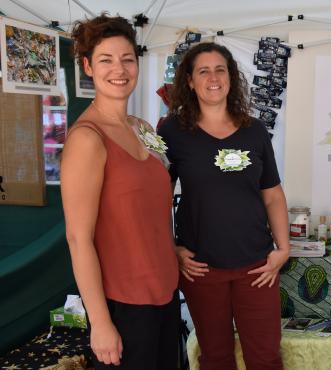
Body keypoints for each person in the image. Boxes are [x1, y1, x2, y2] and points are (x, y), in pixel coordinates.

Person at [158, 42, 290, 370]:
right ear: (189, 80)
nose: (213, 77)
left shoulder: (254, 131)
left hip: (257, 268)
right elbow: (155, 193)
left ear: (231, 77)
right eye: (203, 70)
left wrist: (283, 248)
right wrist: (171, 247)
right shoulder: (171, 130)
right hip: (202, 268)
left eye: (220, 69)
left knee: (266, 358)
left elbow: (272, 194)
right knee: (215, 358)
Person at [61, 14, 179, 369]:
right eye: (106, 60)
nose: (120, 69)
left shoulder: (142, 128)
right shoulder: (87, 138)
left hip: (165, 293)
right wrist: (100, 322)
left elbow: (150, 210)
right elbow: (78, 238)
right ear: (88, 66)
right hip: (123, 303)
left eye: (127, 59)